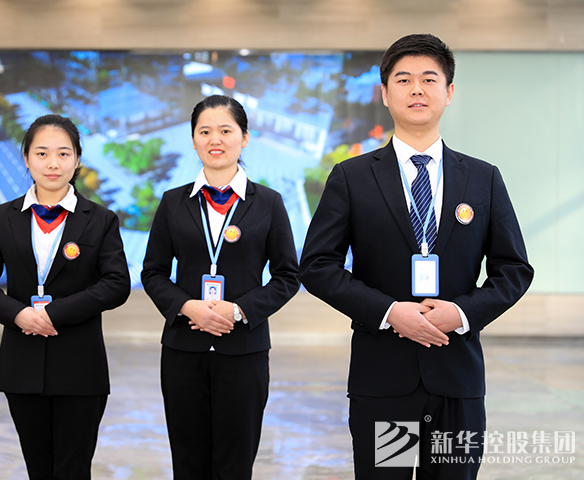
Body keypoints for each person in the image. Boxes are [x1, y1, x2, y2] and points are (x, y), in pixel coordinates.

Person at [299, 34, 534, 479]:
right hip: (383, 378)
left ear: (449, 92)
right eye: (403, 80)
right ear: (385, 94)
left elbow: (514, 270)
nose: (417, 89)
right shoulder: (352, 177)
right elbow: (318, 265)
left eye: (429, 79)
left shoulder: (482, 178)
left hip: (457, 376)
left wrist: (461, 313)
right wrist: (389, 312)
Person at [141, 94, 300, 479]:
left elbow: (287, 276)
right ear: (193, 140)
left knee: (235, 462)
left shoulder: (269, 203)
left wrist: (239, 310)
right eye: (205, 131)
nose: (215, 139)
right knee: (188, 462)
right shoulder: (173, 202)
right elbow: (153, 272)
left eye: (226, 131)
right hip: (183, 349)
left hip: (244, 350)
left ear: (244, 137)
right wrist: (187, 306)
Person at [0, 114, 131, 480]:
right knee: (38, 469)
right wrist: (17, 313)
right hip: (21, 364)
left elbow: (117, 283)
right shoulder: (3, 217)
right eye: (41, 153)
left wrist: (56, 313)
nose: (53, 163)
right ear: (26, 158)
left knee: (73, 469)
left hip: (80, 366)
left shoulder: (100, 219)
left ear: (77, 159)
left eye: (63, 153)